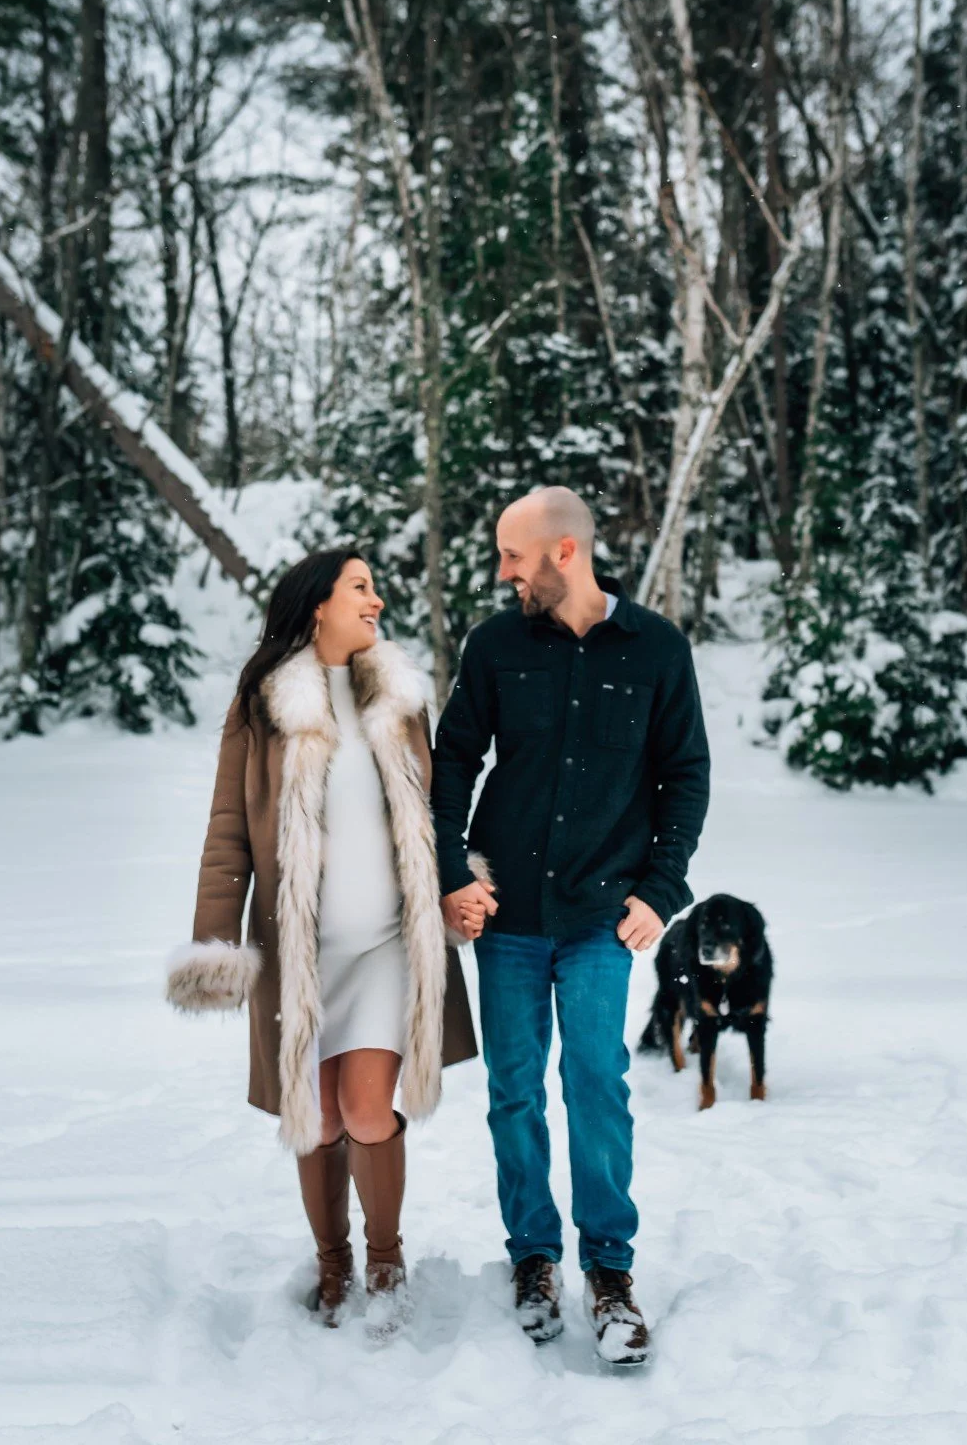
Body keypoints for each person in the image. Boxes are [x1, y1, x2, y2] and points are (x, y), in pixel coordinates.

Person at [166, 548, 477, 1339]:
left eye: (375, 586)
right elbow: (227, 832)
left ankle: (384, 1258)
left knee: (367, 1108)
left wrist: (454, 884)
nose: (377, 599)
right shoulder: (263, 703)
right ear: (317, 605)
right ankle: (332, 1261)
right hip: (299, 952)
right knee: (321, 1119)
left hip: (384, 945)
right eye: (361, 587)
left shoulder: (399, 696)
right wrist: (214, 942)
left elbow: (433, 811)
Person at [432, 488, 710, 1364]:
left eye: (513, 556)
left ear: (562, 554)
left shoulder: (657, 648)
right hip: (508, 912)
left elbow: (686, 775)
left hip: (602, 914)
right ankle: (533, 1259)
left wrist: (661, 890)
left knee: (597, 1083)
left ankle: (611, 1273)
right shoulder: (495, 645)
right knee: (514, 1091)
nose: (502, 572)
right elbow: (449, 768)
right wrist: (451, 876)